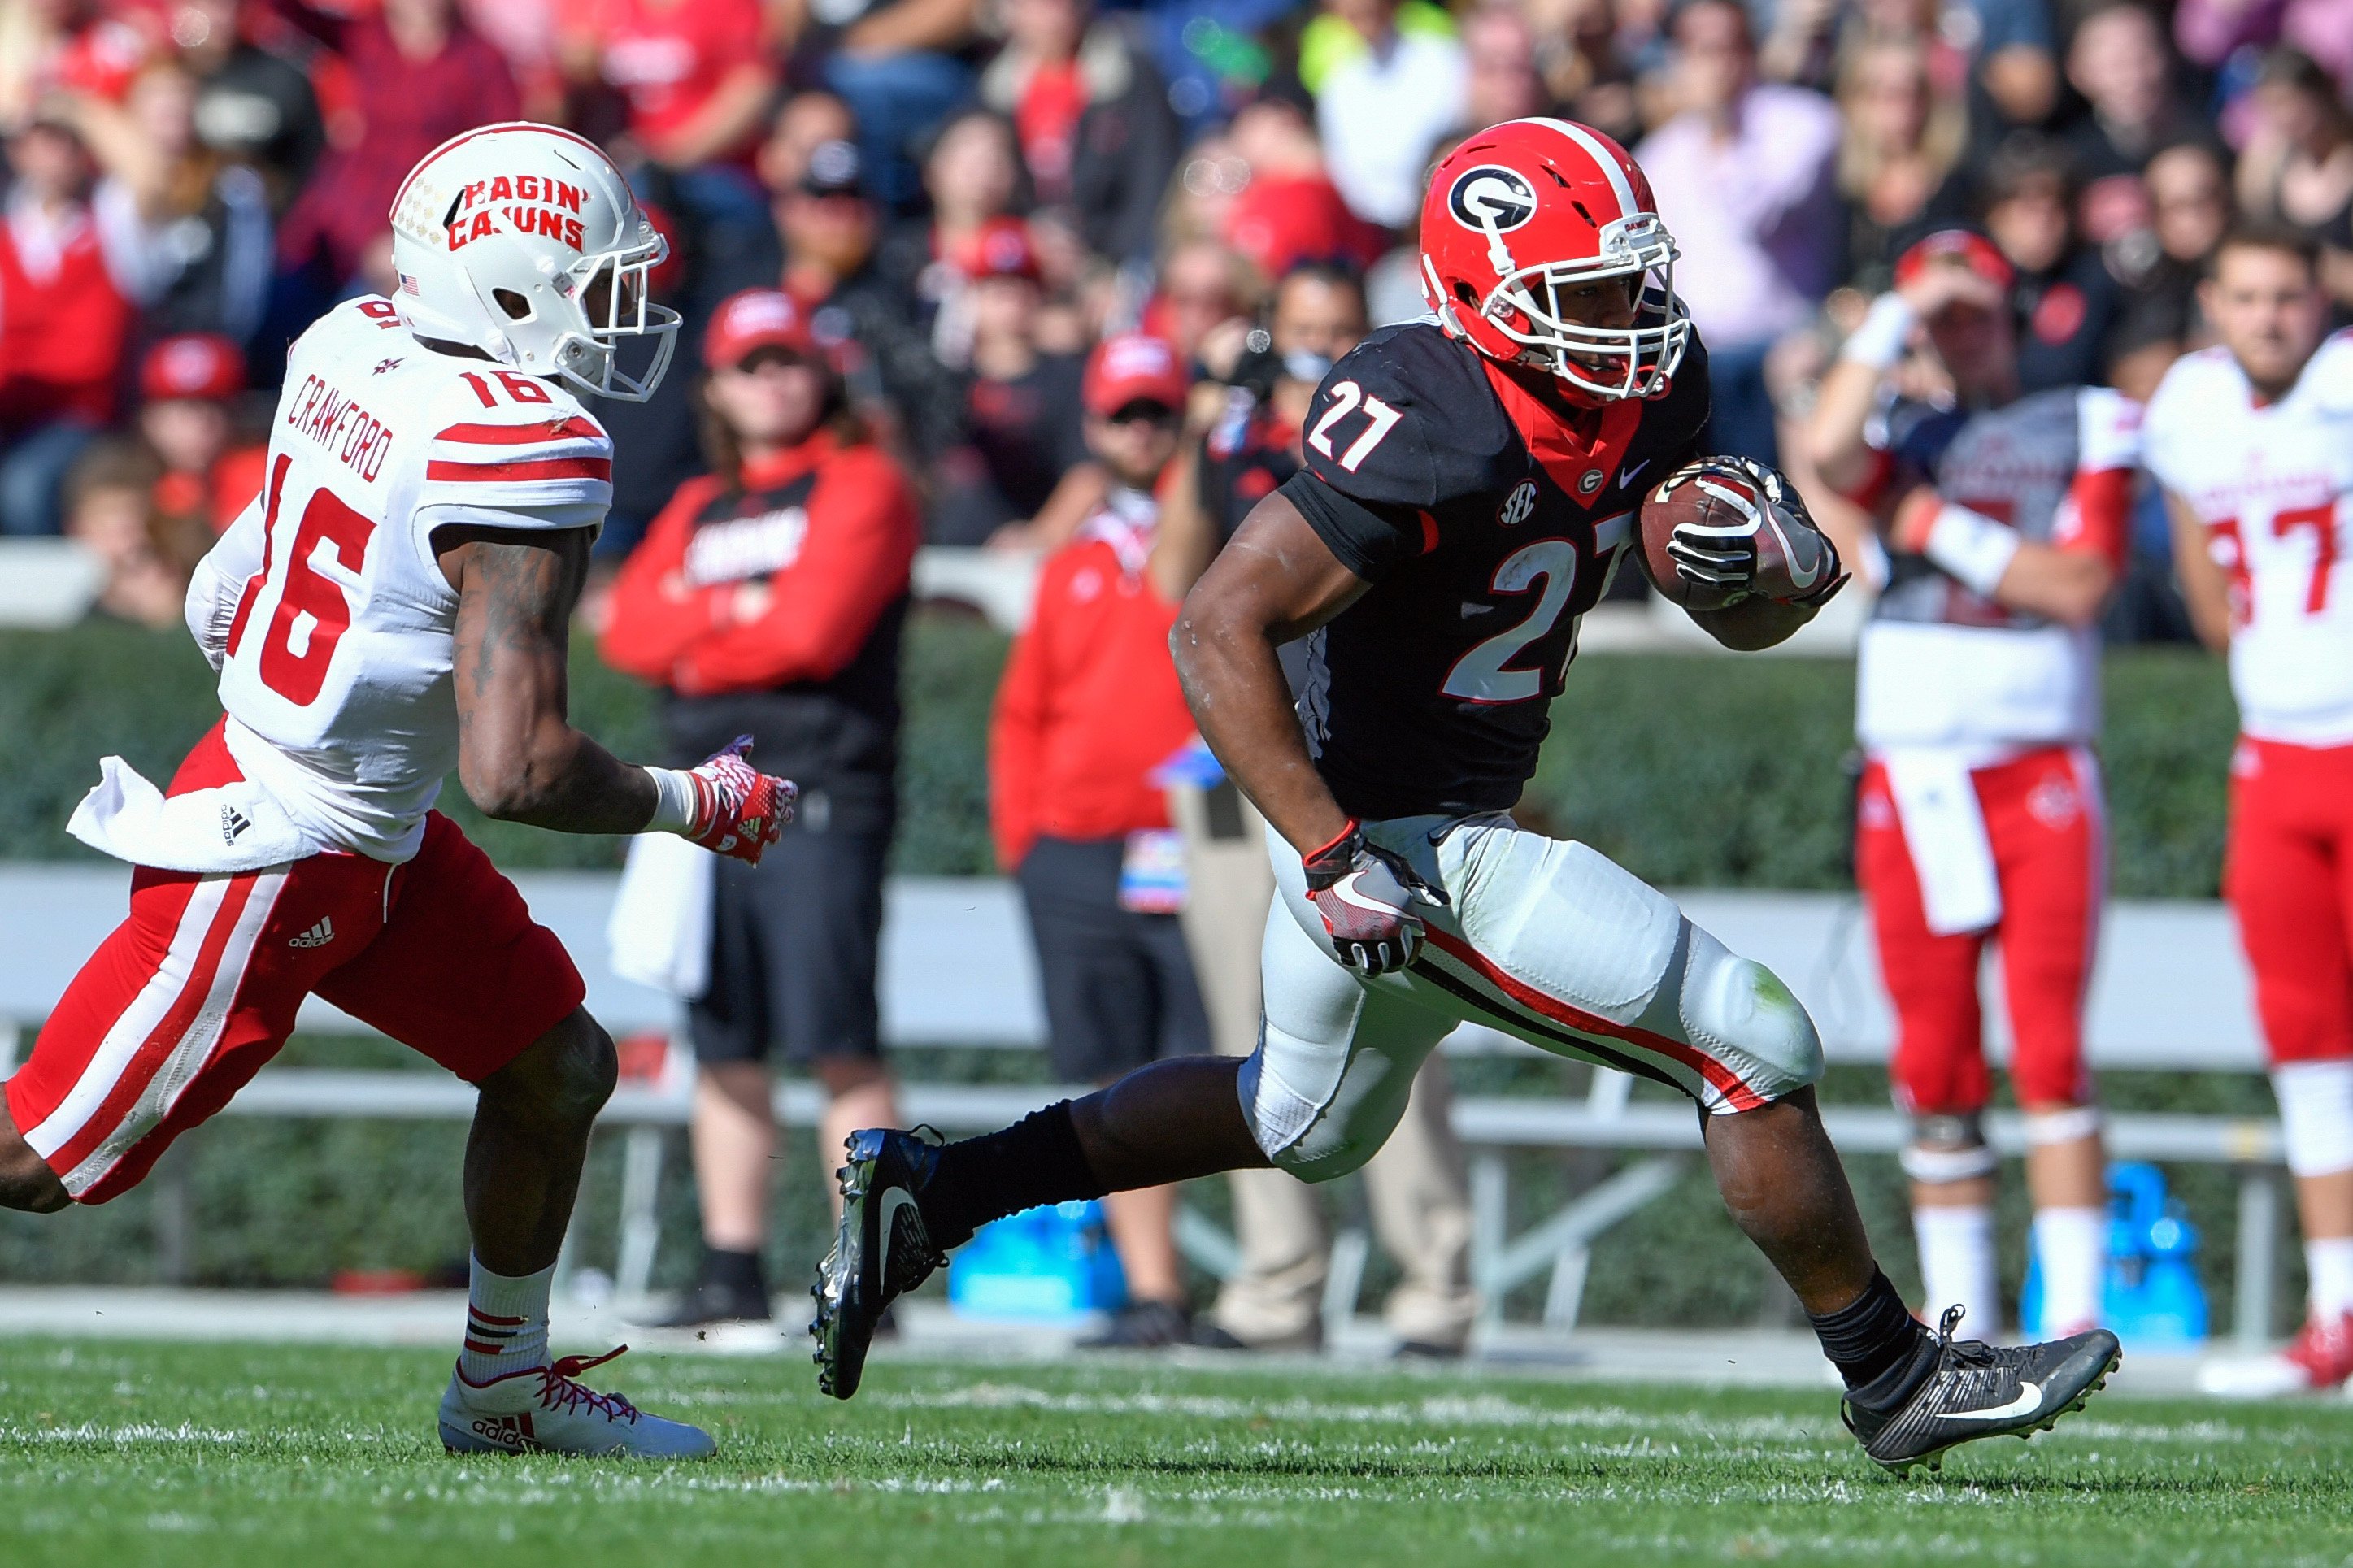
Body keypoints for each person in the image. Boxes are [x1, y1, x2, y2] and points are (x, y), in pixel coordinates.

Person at [811, 117, 2122, 1473]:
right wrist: (1326, 850)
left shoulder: (1648, 384)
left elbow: (1724, 612)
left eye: (1629, 280)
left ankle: (938, 1185)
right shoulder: (1425, 412)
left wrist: (1768, 576)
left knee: (1295, 1123)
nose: (1623, 319)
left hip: (1439, 824)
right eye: (1582, 295)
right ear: (1483, 296)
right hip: (1388, 839)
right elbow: (1211, 623)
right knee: (1746, 1036)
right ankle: (1892, 1371)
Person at [0, 122, 794, 1459]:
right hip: (281, 853)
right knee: (34, 1161)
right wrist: (689, 800)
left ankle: (502, 1390)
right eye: (594, 279)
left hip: (355, 824)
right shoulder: (527, 444)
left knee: (555, 1063)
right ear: (510, 285)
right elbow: (517, 765)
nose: (623, 308)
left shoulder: (353, 336)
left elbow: (221, 584)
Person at [1807, 227, 2139, 1345]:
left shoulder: (2083, 415)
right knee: (1933, 1058)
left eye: (1969, 306)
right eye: (1931, 314)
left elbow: (2076, 582)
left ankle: (2080, 1317)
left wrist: (1927, 521)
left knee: (2048, 1048)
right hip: (1914, 769)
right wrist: (1893, 321)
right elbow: (1819, 448)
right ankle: (1961, 1323)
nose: (1954, 328)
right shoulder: (1890, 422)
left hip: (2035, 761)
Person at [1154, 264, 1481, 1357]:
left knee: (1397, 1020)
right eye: (1299, 335)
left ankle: (1433, 1284)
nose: (1316, 354)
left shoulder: (1418, 451)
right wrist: (1203, 428)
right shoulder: (1232, 441)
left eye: (1339, 333)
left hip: (1353, 767)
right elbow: (1175, 587)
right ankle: (1276, 1283)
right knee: (1252, 1031)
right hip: (1241, 764)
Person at [600, 288, 916, 1328]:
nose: (772, 379)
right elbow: (626, 632)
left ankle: (868, 1269)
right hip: (707, 809)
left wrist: (705, 637)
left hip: (815, 797)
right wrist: (729, 619)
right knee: (724, 1040)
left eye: (789, 360)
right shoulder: (698, 506)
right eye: (751, 363)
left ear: (822, 373)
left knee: (838, 1039)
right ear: (719, 388)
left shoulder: (862, 483)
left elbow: (811, 636)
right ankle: (731, 1268)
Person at [2142, 227, 2353, 1396]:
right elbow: (2206, 592)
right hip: (2272, 752)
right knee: (2308, 1045)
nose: (2270, 316)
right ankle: (2336, 1314)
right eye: (2248, 296)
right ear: (2212, 303)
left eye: (2290, 296)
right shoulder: (2187, 406)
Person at [989, 332, 1214, 1345]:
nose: (1138, 431)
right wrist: (1022, 843)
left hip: (1187, 839)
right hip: (1074, 849)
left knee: (1207, 1066)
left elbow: (1178, 578)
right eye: (1120, 414)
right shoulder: (1072, 556)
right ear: (1090, 426)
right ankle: (1153, 1287)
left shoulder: (1213, 528)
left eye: (1155, 413)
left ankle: (1246, 1286)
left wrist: (1202, 458)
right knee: (1111, 1077)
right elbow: (1023, 709)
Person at [1636, 0, 1841, 466]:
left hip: (1782, 350)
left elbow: (1758, 215)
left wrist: (1722, 127)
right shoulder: (1657, 155)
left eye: (1730, 47)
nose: (1718, 64)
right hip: (1697, 358)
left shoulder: (1805, 122)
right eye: (1701, 50)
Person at [137, 332, 267, 538]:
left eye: (215, 406)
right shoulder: (131, 482)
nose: (201, 425)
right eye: (185, 409)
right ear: (150, 419)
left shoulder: (265, 474)